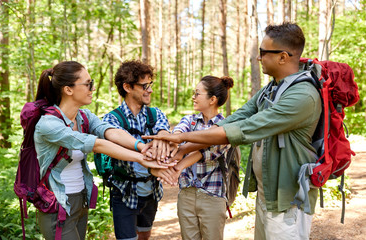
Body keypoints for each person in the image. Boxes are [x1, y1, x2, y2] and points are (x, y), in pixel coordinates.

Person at [143, 22, 322, 240]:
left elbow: (241, 130)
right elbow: (233, 120)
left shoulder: (302, 96)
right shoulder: (272, 89)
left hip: (288, 198)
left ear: (283, 57)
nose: (259, 58)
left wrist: (178, 138)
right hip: (269, 195)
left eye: (263, 52)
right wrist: (182, 150)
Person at [33, 61, 170, 240]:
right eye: (88, 84)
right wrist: (142, 158)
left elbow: (110, 132)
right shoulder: (49, 124)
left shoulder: (83, 116)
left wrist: (142, 147)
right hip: (57, 202)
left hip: (80, 199)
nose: (92, 89)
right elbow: (97, 144)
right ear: (68, 89)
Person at [152, 75, 234, 240]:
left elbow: (204, 153)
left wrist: (178, 166)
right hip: (187, 195)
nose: (193, 97)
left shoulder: (226, 128)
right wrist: (175, 138)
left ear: (212, 99)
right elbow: (180, 130)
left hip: (212, 195)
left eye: (197, 93)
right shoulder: (190, 120)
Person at [101, 60, 174, 240]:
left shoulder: (155, 114)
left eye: (150, 85)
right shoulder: (112, 119)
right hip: (124, 191)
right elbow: (114, 138)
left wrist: (163, 135)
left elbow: (164, 131)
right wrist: (145, 148)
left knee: (144, 233)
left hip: (151, 191)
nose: (149, 90)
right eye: (144, 86)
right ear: (127, 87)